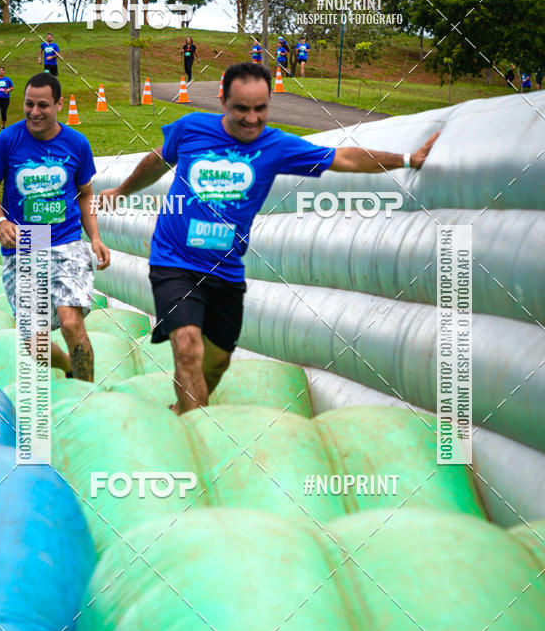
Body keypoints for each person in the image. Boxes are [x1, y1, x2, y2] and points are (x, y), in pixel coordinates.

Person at [99, 61, 439, 415]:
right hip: (173, 260)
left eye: (260, 109)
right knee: (188, 348)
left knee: (216, 362)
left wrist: (406, 159)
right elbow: (157, 160)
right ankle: (195, 429)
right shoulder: (191, 128)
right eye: (241, 109)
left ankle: (185, 412)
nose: (252, 119)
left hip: (224, 270)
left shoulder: (276, 146)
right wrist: (121, 191)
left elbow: (345, 159)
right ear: (222, 101)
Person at [0, 72, 110, 382]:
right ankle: (69, 368)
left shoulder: (76, 143)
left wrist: (95, 237)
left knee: (71, 322)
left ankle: (86, 392)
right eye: (29, 104)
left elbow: (85, 194)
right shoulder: (7, 141)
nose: (34, 112)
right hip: (25, 242)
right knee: (35, 346)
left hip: (66, 240)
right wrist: (1, 221)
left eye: (42, 105)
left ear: (59, 105)